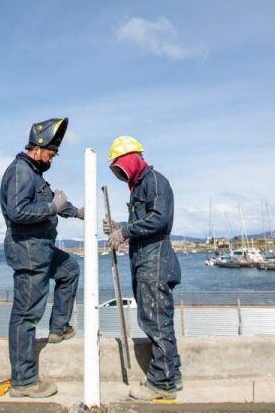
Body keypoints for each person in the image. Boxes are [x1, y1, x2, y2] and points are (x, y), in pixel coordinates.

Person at [0, 117, 84, 398]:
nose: (53, 158)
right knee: (26, 314)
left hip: (42, 248)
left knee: (70, 268)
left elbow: (54, 203)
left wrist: (78, 212)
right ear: (37, 148)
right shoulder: (20, 172)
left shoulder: (36, 174)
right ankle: (23, 381)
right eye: (51, 153)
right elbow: (17, 211)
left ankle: (59, 327)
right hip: (28, 252)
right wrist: (51, 207)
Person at [103, 135, 182, 401]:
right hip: (145, 262)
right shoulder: (138, 187)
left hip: (156, 262)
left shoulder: (155, 181)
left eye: (121, 168)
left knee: (158, 322)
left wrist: (125, 231)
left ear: (133, 159)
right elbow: (144, 222)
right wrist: (119, 227)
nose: (120, 174)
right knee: (151, 320)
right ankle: (168, 376)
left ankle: (164, 382)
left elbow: (159, 219)